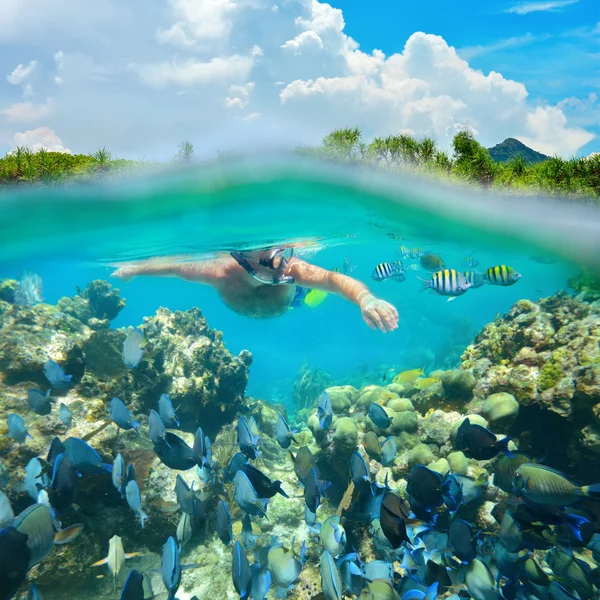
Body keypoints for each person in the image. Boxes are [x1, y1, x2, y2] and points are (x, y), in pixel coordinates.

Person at [111, 246, 399, 333]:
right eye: (267, 259)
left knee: (309, 294)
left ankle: (307, 298)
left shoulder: (291, 271)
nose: (277, 265)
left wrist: (366, 298)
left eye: (282, 255)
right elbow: (173, 266)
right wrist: (135, 268)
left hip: (292, 298)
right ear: (242, 257)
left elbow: (334, 280)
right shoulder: (219, 272)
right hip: (274, 301)